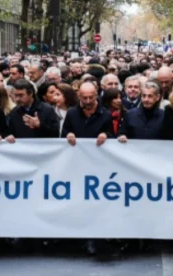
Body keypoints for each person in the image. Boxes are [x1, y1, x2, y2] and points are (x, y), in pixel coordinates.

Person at [60, 79, 114, 256]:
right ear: (78, 96)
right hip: (76, 166)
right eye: (85, 98)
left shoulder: (105, 114)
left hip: (98, 167)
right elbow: (63, 134)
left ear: (97, 95)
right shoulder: (72, 113)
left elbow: (112, 135)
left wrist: (105, 135)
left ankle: (96, 238)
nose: (88, 101)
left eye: (91, 97)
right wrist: (68, 135)